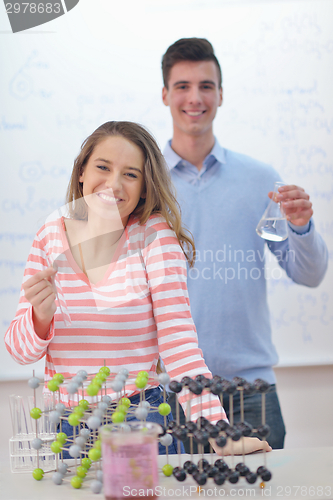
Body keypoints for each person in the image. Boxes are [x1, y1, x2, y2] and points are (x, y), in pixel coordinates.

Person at [4, 121, 270, 456]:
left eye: (130, 174)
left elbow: (180, 345)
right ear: (82, 171)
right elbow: (19, 350)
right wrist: (40, 319)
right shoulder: (50, 235)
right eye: (103, 167)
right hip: (66, 429)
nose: (113, 184)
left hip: (137, 421)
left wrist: (219, 432)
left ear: (145, 187)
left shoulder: (154, 238)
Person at [161, 38, 328, 450]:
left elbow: (310, 275)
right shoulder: (146, 185)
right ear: (165, 94)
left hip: (250, 393)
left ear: (220, 94)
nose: (194, 97)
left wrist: (303, 228)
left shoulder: (259, 178)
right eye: (182, 86)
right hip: (168, 395)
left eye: (206, 85)